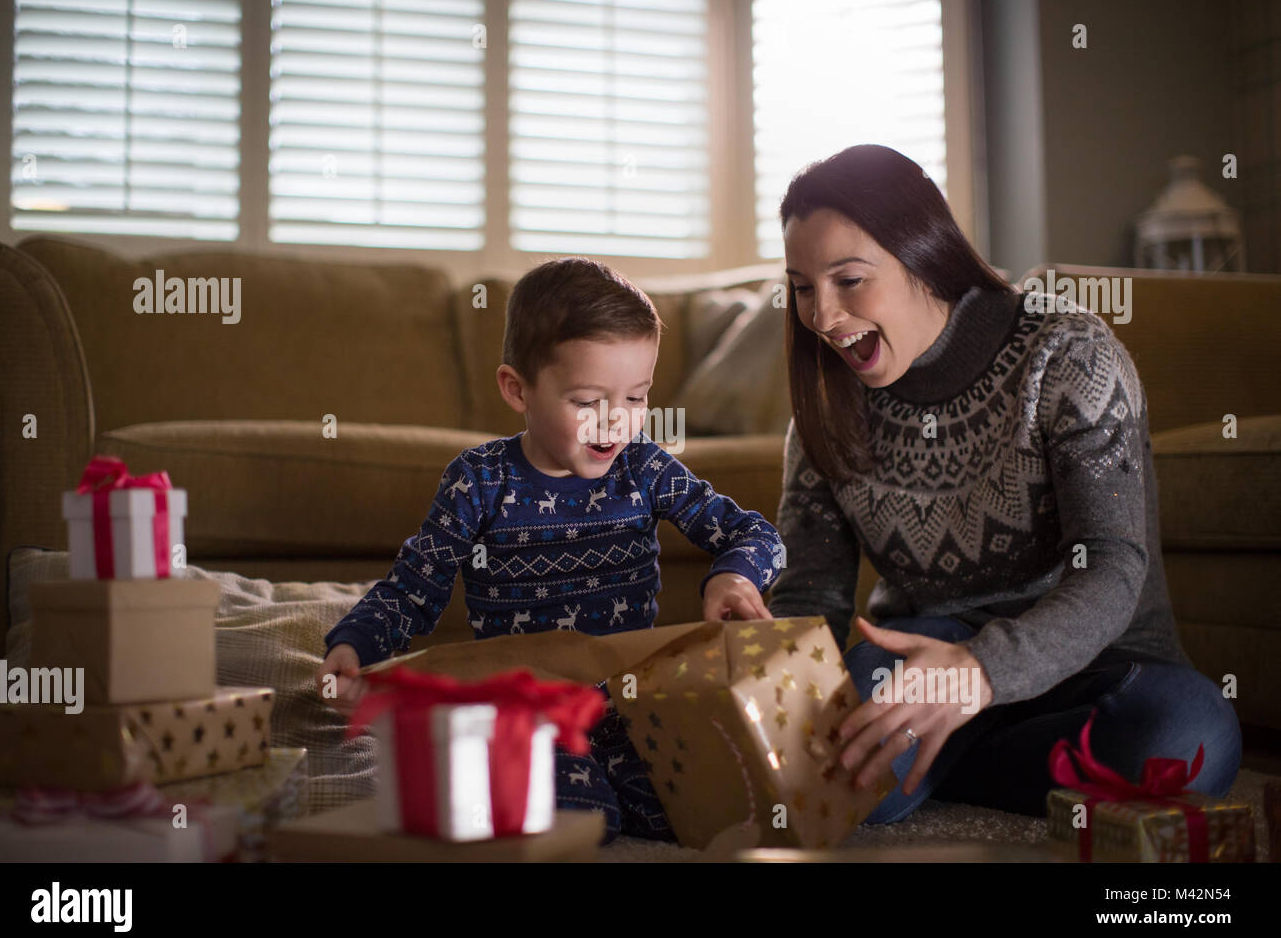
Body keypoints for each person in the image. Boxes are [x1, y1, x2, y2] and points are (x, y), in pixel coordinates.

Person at [766, 144, 1241, 823]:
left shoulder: (1069, 353)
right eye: (803, 287)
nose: (822, 316)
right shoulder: (823, 405)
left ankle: (950, 765)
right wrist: (759, 671)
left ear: (922, 255)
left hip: (1102, 664)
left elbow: (1112, 568)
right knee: (840, 758)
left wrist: (982, 673)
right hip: (921, 651)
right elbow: (812, 596)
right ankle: (1033, 772)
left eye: (848, 280)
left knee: (1186, 738)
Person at [316, 256, 784, 842]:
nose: (615, 424)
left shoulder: (644, 468)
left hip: (625, 705)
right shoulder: (479, 481)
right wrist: (355, 643)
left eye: (636, 398)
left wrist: (734, 578)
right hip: (527, 716)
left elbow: (756, 534)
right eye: (587, 402)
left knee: (714, 803)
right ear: (518, 389)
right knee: (587, 819)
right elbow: (416, 586)